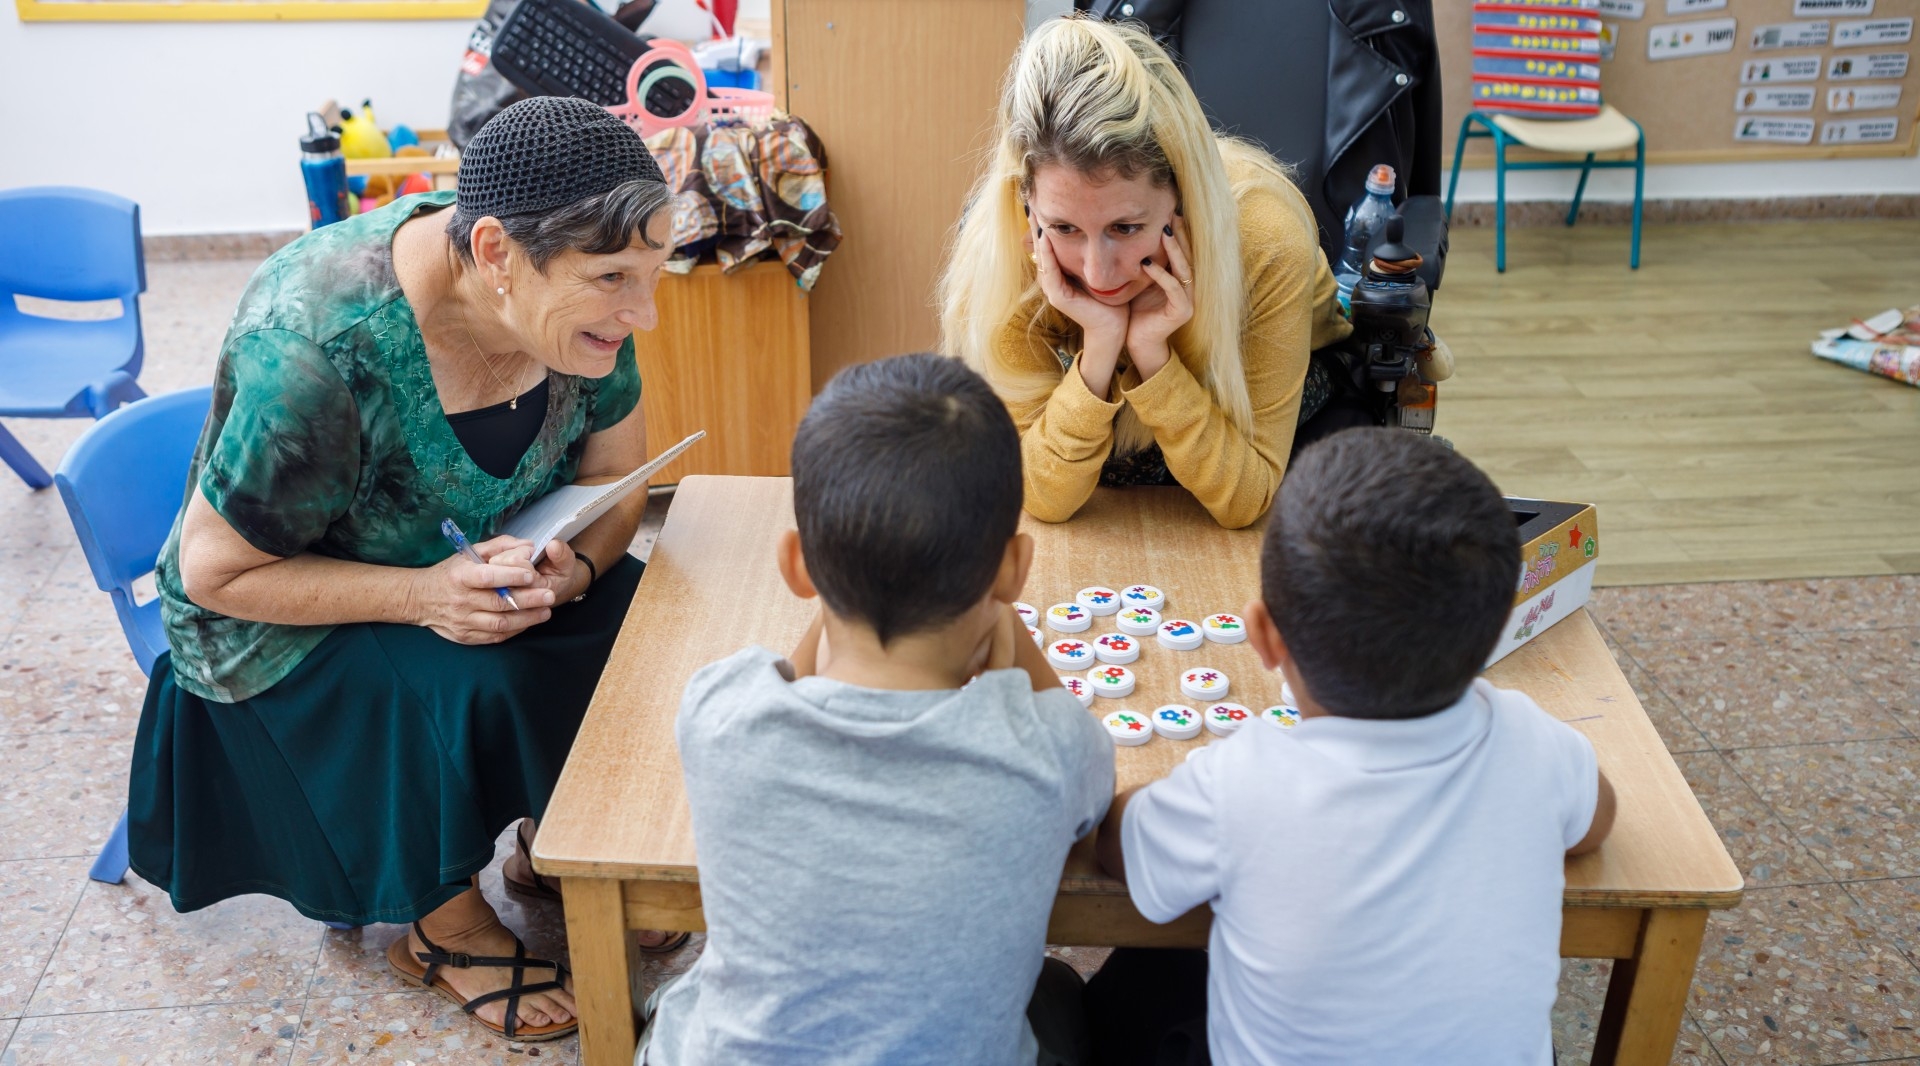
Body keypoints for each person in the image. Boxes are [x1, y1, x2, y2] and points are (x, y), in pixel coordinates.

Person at [132, 97, 689, 1043]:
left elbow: (609, 479)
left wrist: (576, 573)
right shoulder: (316, 351)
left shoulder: (572, 302)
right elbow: (215, 574)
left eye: (651, 274)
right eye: (611, 280)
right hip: (283, 623)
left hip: (471, 561)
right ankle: (440, 924)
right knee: (468, 673)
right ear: (497, 254)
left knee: (640, 613)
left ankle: (557, 845)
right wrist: (426, 595)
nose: (640, 312)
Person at [1086, 428, 1619, 1066]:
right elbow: (1597, 821)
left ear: (1263, 635)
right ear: (1496, 629)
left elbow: (1118, 850)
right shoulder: (1532, 741)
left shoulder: (1241, 782)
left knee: (1119, 989)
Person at [638, 354, 1114, 1065]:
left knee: (687, 1001)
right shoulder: (1049, 748)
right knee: (1060, 993)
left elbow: (786, 685)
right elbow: (1091, 803)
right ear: (1013, 570)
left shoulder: (721, 713)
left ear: (798, 566)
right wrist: (1003, 623)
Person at [937, 16, 1354, 530]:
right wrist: (1101, 347)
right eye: (1065, 227)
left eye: (1126, 227)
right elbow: (1043, 495)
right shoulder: (1005, 244)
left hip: (1276, 362)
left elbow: (1245, 499)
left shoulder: (1266, 236)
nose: (1097, 270)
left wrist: (1154, 357)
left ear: (1181, 198)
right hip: (1118, 372)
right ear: (1027, 203)